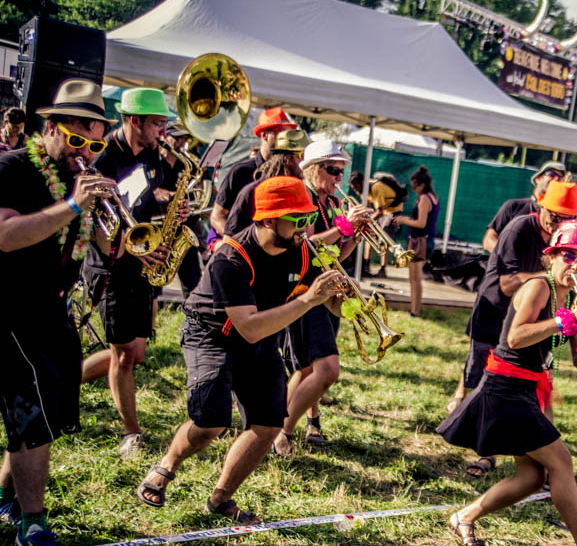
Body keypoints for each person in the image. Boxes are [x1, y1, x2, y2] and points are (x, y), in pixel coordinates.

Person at [436, 220, 577, 546]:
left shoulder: (566, 298)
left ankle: (464, 516)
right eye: (568, 256)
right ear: (552, 256)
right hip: (505, 389)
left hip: (526, 391)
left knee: (532, 476)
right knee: (561, 463)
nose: (576, 266)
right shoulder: (538, 286)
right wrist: (564, 322)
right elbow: (515, 335)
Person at [135, 176, 342, 523]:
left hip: (261, 339)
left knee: (269, 422)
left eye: (308, 219)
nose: (305, 228)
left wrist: (340, 299)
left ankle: (221, 498)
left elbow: (329, 306)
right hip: (212, 334)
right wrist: (308, 299)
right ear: (266, 219)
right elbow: (249, 326)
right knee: (210, 423)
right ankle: (167, 464)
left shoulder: (303, 251)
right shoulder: (229, 258)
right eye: (297, 219)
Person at [0, 79, 117, 546]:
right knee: (30, 400)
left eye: (96, 143)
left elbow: (104, 248)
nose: (87, 151)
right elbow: (7, 234)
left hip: (47, 307)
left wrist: (129, 237)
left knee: (54, 398)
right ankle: (32, 524)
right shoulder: (9, 166)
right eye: (78, 138)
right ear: (50, 127)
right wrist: (74, 205)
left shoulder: (83, 183)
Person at [451, 180, 577, 478]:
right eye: (554, 214)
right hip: (494, 311)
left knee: (540, 388)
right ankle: (486, 452)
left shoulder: (563, 244)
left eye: (566, 217)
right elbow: (507, 283)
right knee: (487, 387)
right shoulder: (520, 228)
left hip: (530, 316)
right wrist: (551, 274)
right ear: (541, 206)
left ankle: (536, 464)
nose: (558, 221)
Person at [79, 88, 179, 460]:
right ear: (133, 120)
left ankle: (63, 380)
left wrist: (171, 208)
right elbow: (90, 221)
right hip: (109, 265)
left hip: (142, 262)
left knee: (134, 353)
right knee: (123, 355)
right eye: (157, 123)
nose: (161, 132)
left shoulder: (154, 155)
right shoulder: (101, 156)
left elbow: (150, 198)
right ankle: (131, 432)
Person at [272, 140, 372, 455]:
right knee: (323, 370)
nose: (338, 179)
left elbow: (335, 254)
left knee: (306, 371)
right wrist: (345, 225)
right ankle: (282, 431)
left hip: (325, 290)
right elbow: (307, 244)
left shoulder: (330, 203)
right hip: (303, 290)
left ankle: (277, 430)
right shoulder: (304, 199)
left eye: (341, 172)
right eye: (332, 171)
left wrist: (355, 235)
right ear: (313, 169)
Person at [209, 107, 298, 239]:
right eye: (280, 134)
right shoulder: (240, 172)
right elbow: (217, 216)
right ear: (264, 135)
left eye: (287, 135)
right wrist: (238, 243)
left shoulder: (289, 174)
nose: (285, 140)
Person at [223, 129, 309, 236]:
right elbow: (230, 239)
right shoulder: (251, 192)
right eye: (302, 155)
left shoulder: (300, 192)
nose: (306, 162)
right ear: (286, 158)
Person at [160, 119, 204, 302]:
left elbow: (199, 188)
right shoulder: (155, 162)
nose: (180, 143)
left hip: (184, 227)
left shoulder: (186, 164)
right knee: (153, 286)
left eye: (184, 139)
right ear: (165, 137)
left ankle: (192, 321)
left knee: (193, 282)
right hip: (160, 228)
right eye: (176, 138)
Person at [482, 161, 564, 253]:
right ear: (538, 178)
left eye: (560, 178)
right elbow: (488, 241)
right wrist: (509, 258)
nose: (556, 179)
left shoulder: (560, 217)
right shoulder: (514, 206)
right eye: (552, 174)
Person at [393, 166, 439, 317]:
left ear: (422, 185)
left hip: (420, 242)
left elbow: (421, 223)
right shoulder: (433, 197)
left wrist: (404, 220)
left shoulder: (425, 198)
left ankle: (415, 310)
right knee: (414, 278)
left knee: (415, 278)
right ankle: (414, 309)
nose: (413, 189)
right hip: (424, 241)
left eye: (414, 186)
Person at [363, 172, 406, 278]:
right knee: (370, 238)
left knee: (384, 242)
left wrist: (368, 220)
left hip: (392, 213)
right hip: (383, 212)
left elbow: (380, 210)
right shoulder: (366, 189)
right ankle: (366, 266)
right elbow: (368, 206)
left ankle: (382, 270)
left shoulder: (377, 188)